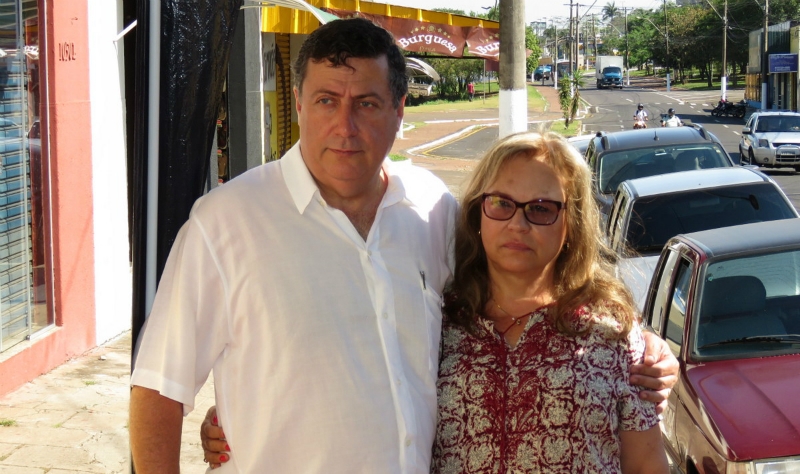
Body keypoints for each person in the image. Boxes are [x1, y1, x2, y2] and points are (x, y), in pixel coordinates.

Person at [139, 18, 677, 472]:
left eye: (367, 103)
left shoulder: (430, 207)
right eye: (326, 100)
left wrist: (645, 346)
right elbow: (158, 392)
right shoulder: (226, 224)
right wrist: (234, 417)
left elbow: (521, 276)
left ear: (399, 110)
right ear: (298, 103)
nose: (345, 126)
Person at [432, 131, 668, 473]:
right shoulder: (439, 324)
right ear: (477, 212)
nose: (517, 224)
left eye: (541, 209)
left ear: (571, 224)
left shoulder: (611, 334)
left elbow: (647, 464)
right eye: (501, 203)